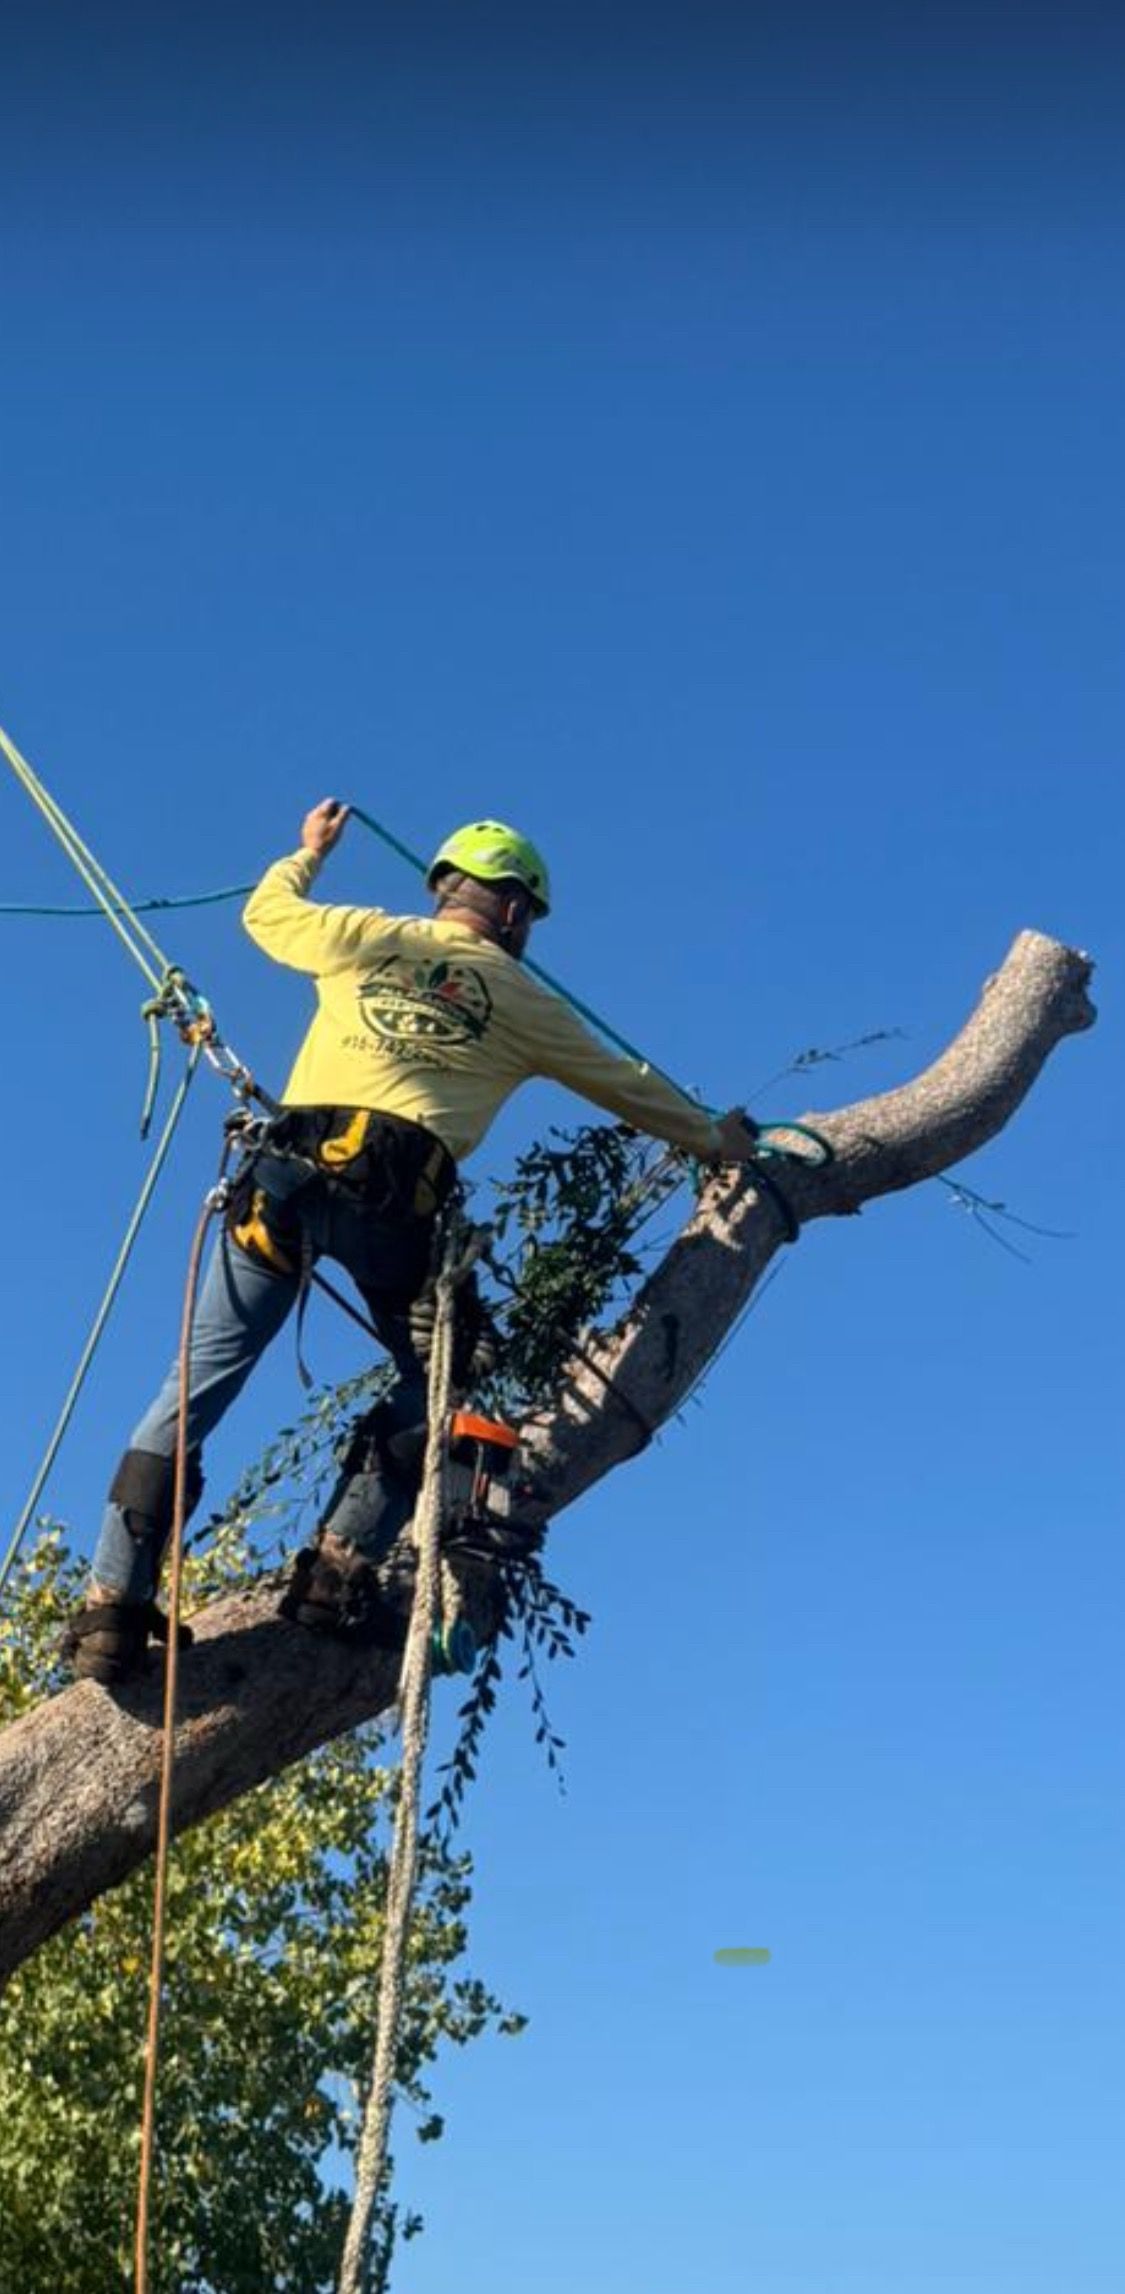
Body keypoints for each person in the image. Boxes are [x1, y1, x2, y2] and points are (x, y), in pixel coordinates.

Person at [67, 802, 760, 1683]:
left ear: (444, 891)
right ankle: (335, 1574)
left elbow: (264, 915)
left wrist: (308, 854)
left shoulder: (362, 934)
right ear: (511, 911)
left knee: (192, 1385)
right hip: (398, 1204)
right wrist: (717, 1141)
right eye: (528, 919)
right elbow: (628, 1088)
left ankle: (109, 1613)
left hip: (280, 1182)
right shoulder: (521, 1000)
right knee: (445, 1374)